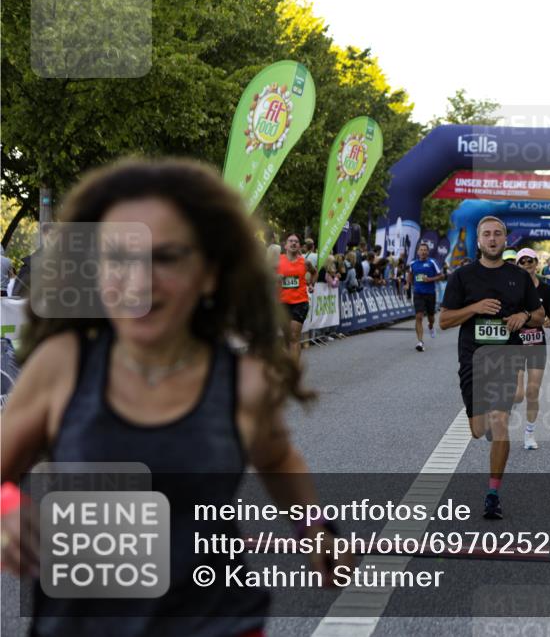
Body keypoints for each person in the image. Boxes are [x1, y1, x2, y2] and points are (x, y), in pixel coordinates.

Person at [0, 159, 349, 636]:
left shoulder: (243, 384)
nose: (140, 281)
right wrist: (10, 510)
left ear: (208, 274)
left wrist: (316, 530)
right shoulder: (61, 367)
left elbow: (278, 460)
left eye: (165, 257)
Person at [439, 217, 543, 519]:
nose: (493, 239)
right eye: (487, 234)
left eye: (498, 234)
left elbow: (540, 314)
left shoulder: (519, 276)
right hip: (472, 358)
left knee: (499, 420)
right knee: (478, 429)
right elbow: (444, 321)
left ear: (506, 239)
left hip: (506, 357)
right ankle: (485, 425)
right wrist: (475, 308)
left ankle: (492, 494)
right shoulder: (463, 277)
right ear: (479, 240)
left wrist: (523, 316)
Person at [512, 248, 550, 450]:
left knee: (532, 391)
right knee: (518, 394)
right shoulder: (510, 288)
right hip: (515, 344)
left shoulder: (546, 289)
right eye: (521, 262)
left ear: (536, 262)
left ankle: (529, 434)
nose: (526, 264)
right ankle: (506, 408)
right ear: (517, 265)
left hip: (537, 344)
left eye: (529, 261)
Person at [276, 232, 316, 366]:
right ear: (285, 245)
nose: (293, 243)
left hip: (300, 302)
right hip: (282, 303)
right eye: (291, 241)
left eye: (296, 242)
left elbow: (314, 272)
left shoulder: (305, 262)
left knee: (294, 337)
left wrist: (312, 284)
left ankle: (293, 373)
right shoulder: (278, 260)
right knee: (287, 337)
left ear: (299, 246)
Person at [408, 242, 444, 352]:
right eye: (421, 250)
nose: (423, 252)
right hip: (418, 293)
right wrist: (407, 284)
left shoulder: (432, 262)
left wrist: (430, 279)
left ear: (427, 252)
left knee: (431, 317)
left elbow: (442, 275)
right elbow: (410, 274)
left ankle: (431, 326)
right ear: (418, 252)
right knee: (418, 316)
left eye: (425, 250)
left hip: (430, 293)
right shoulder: (413, 263)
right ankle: (420, 341)